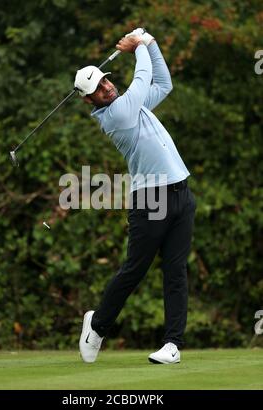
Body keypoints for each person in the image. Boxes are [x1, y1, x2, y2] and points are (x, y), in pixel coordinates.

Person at [74, 29, 196, 364]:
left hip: (181, 192)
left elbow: (163, 84)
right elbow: (142, 80)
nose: (106, 87)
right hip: (150, 201)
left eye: (105, 81)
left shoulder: (128, 103)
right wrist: (140, 46)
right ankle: (97, 325)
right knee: (134, 270)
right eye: (97, 90)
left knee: (176, 271)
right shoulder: (117, 115)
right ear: (89, 101)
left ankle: (172, 344)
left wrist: (153, 45)